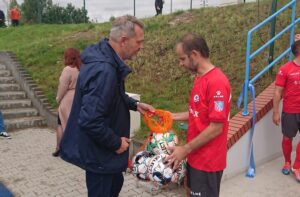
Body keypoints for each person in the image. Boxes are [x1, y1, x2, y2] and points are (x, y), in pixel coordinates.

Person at [60, 15, 154, 197]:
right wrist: (116, 142)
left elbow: (113, 95)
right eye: (139, 42)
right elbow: (90, 120)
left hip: (104, 156)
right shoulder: (104, 70)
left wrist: (134, 105)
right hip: (101, 157)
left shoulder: (107, 59)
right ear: (124, 40)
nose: (141, 47)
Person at [166, 33, 231, 197]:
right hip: (195, 157)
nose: (181, 64)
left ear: (194, 54)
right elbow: (196, 113)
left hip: (208, 162)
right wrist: (170, 116)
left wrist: (185, 149)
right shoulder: (200, 78)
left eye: (182, 59)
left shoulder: (217, 82)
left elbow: (216, 127)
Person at [273, 38, 300, 182]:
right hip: (290, 111)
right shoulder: (285, 69)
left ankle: (297, 165)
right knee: (287, 138)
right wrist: (276, 112)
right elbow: (277, 92)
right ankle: (287, 162)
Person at [52, 48, 81, 157]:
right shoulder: (81, 69)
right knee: (75, 123)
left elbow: (62, 87)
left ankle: (59, 147)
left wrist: (58, 99)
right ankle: (77, 147)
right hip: (78, 97)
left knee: (61, 123)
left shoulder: (67, 70)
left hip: (67, 98)